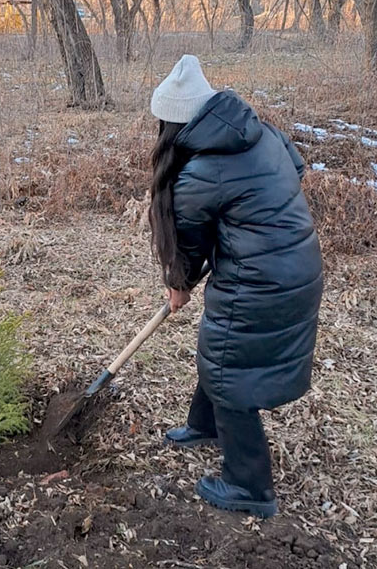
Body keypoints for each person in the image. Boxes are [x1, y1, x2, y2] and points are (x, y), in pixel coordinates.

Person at [148, 55, 323, 518]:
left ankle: (250, 487)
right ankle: (203, 425)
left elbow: (187, 242)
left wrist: (179, 283)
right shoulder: (259, 131)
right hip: (297, 264)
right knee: (221, 351)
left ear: (175, 125)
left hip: (262, 280)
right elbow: (296, 170)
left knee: (229, 368)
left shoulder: (203, 172)